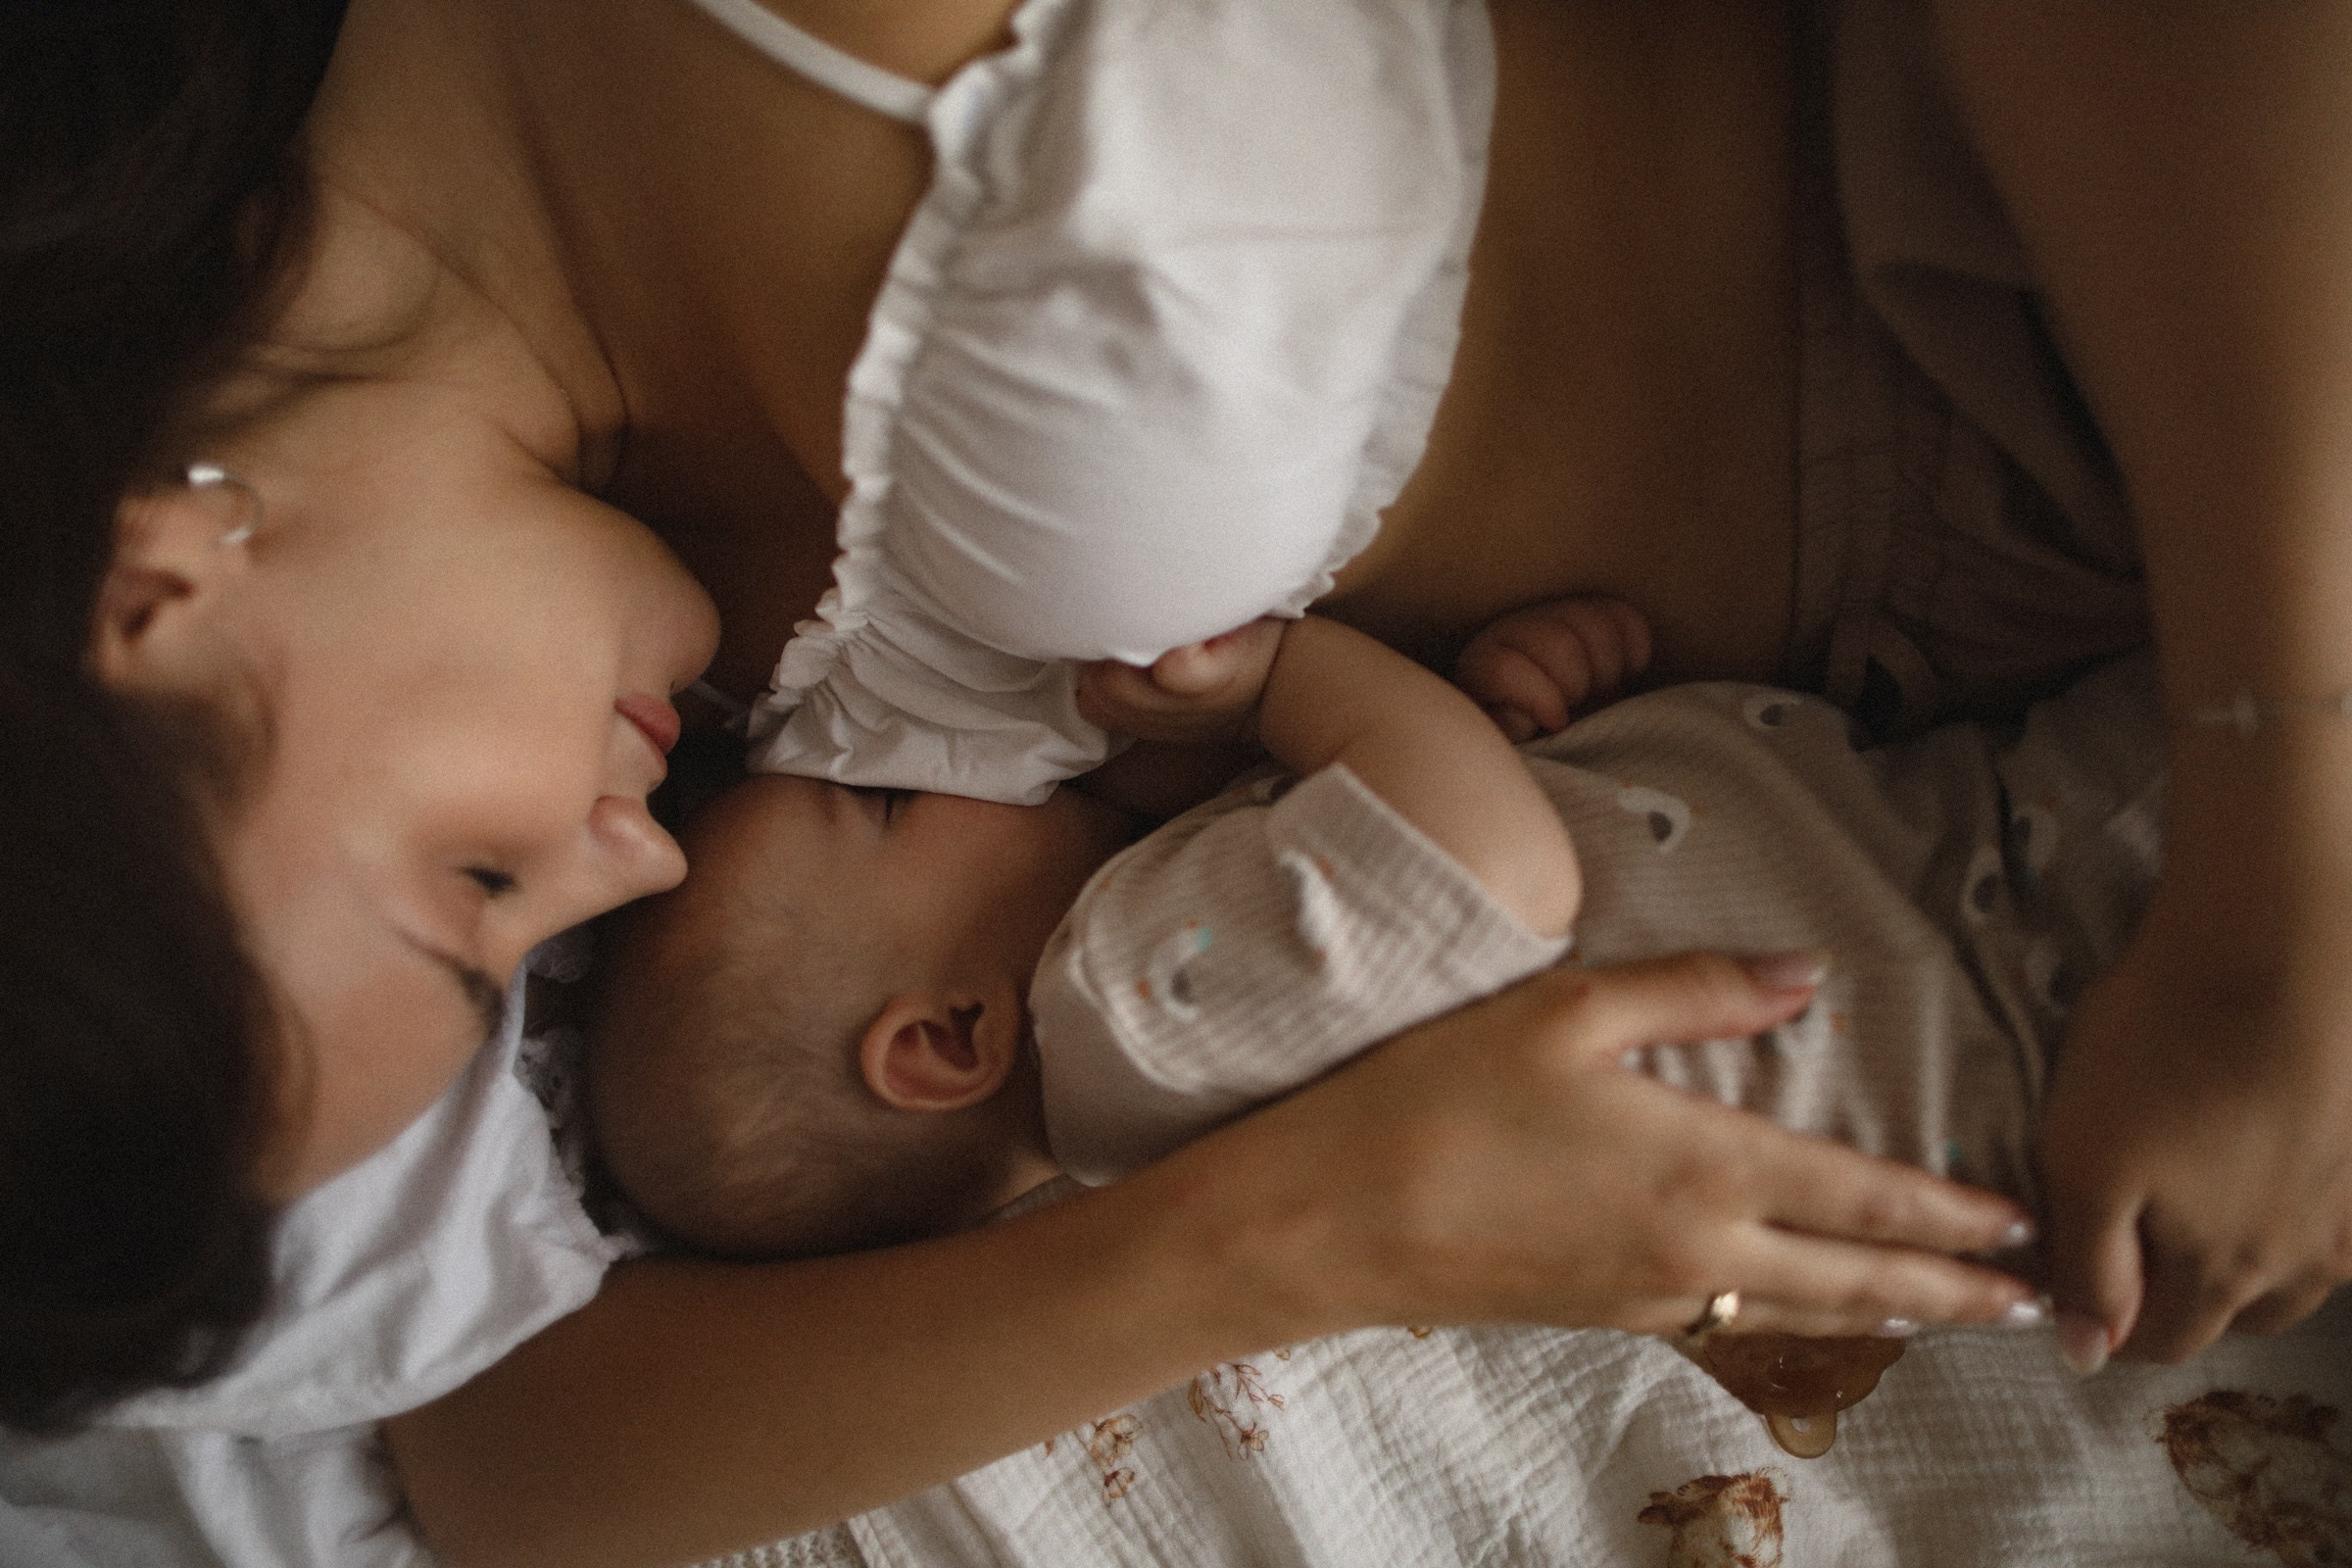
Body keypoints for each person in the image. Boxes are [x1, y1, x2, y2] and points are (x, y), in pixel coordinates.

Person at [5, 1, 2349, 1564]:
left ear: (153, 602)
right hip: (1992, 711)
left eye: (477, 879)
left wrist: (2283, 839)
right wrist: (1316, 1224)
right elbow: (510, 1458)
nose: (618, 866)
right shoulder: (495, 673)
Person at [591, 596, 2154, 1288]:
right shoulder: (1133, 1010)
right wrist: (1286, 677)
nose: (927, 766)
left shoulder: (1161, 1024)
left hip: (1968, 924)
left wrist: (1506, 714)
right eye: (877, 807)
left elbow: (1428, 865)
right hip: (2024, 951)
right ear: (946, 1040)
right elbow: (1489, 871)